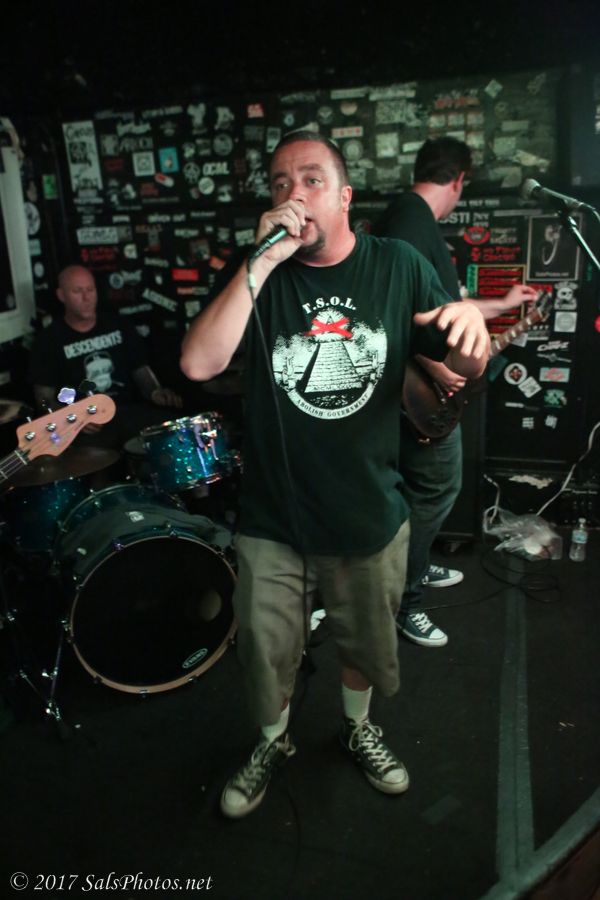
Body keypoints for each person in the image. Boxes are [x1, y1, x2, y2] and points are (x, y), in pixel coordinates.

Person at [180, 130, 490, 819]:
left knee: (365, 644)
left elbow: (464, 364)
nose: (294, 195)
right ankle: (273, 740)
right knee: (266, 652)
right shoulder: (258, 271)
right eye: (281, 183)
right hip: (273, 517)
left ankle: (356, 726)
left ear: (345, 196)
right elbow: (200, 364)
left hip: (367, 509)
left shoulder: (396, 263)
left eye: (312, 180)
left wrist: (475, 334)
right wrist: (260, 263)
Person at [374, 137, 538, 647]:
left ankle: (415, 566)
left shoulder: (417, 220)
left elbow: (442, 307)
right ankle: (405, 599)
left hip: (428, 394)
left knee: (424, 491)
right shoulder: (408, 219)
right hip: (418, 395)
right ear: (460, 179)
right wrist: (430, 363)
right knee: (436, 489)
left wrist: (503, 304)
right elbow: (383, 309)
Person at [29, 265, 182, 448]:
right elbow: (43, 399)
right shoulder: (48, 340)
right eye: (78, 291)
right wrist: (70, 418)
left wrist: (155, 391)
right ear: (61, 295)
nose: (86, 298)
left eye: (90, 290)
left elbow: (140, 368)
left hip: (127, 412)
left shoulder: (118, 324)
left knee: (174, 433)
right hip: (85, 427)